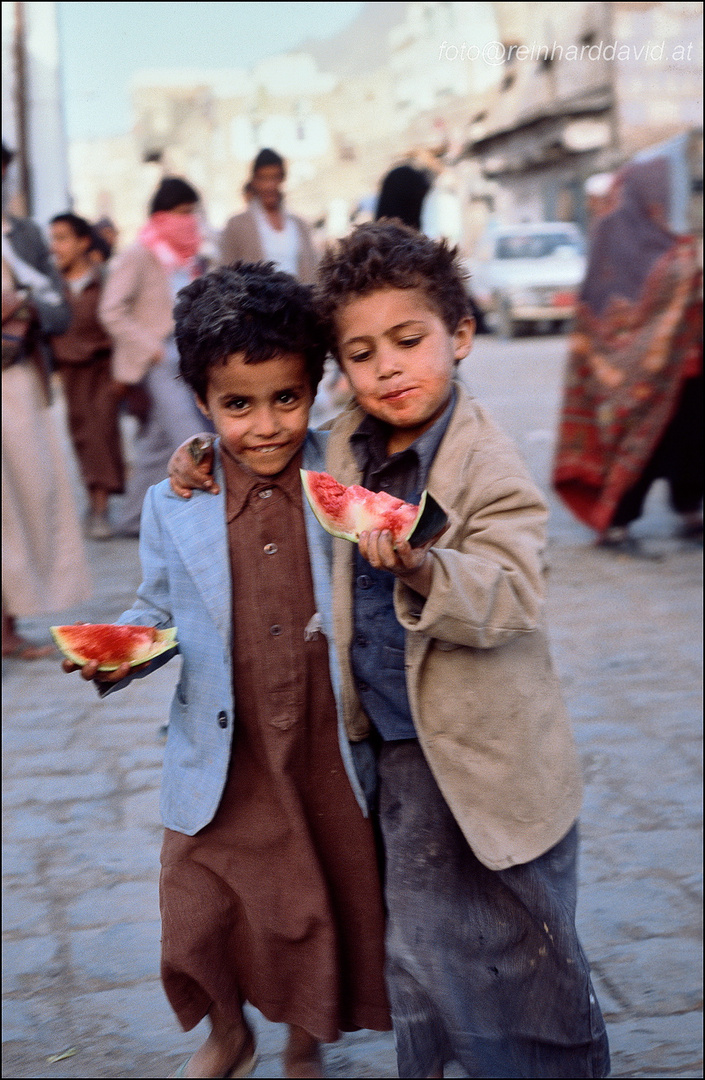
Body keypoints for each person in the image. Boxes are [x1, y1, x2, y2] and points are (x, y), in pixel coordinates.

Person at [168, 222, 611, 1079]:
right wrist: (199, 460)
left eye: (409, 342)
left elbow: (514, 591)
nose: (388, 369)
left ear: (461, 335)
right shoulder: (343, 442)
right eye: (362, 353)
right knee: (417, 951)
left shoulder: (486, 461)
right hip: (393, 750)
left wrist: (420, 564)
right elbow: (265, 446)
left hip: (484, 754)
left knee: (517, 946)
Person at [63, 261, 391, 1079]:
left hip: (320, 739)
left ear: (313, 386)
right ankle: (227, 1031)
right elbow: (157, 609)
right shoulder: (178, 499)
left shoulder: (340, 473)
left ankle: (305, 1042)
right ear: (203, 403)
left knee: (312, 904)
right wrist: (121, 653)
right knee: (198, 901)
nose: (267, 425)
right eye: (236, 406)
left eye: (286, 397)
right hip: (224, 743)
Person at [553, 156, 703, 554]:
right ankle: (618, 519)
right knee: (644, 443)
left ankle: (689, 508)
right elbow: (609, 304)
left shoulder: (676, 238)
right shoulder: (619, 232)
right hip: (638, 377)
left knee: (692, 439)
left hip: (689, 366)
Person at [2, 142, 92, 659]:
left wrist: (23, 304)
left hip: (17, 385)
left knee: (27, 500)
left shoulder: (28, 236)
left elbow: (60, 314)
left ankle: (9, 624)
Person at [99, 177, 210, 537]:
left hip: (187, 354)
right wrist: (151, 347)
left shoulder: (191, 256)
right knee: (194, 437)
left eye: (192, 213)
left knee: (154, 446)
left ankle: (132, 520)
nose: (188, 220)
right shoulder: (139, 254)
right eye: (181, 213)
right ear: (162, 214)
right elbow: (111, 309)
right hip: (159, 360)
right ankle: (209, 516)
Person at [49, 212, 125, 539]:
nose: (56, 246)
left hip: (103, 369)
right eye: (52, 239)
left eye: (63, 238)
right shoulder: (50, 284)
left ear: (82, 242)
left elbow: (120, 323)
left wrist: (123, 374)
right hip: (69, 373)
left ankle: (100, 507)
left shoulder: (104, 278)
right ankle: (95, 499)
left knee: (102, 433)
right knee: (82, 434)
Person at [219, 149, 317, 283]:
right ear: (254, 181)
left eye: (274, 177)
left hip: (297, 300)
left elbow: (311, 271)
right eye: (263, 178)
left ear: (282, 179)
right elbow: (225, 274)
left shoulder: (299, 224)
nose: (269, 185)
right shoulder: (237, 225)